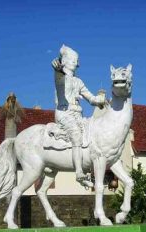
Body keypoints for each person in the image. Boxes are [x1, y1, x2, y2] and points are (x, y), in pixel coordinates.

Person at [51, 45, 106, 187]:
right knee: (76, 135)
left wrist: (99, 100)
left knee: (91, 136)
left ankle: (88, 169)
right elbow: (58, 78)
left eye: (77, 60)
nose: (77, 63)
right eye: (74, 60)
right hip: (64, 113)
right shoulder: (61, 78)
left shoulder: (78, 81)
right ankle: (79, 172)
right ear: (66, 61)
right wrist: (57, 69)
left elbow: (90, 98)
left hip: (77, 115)